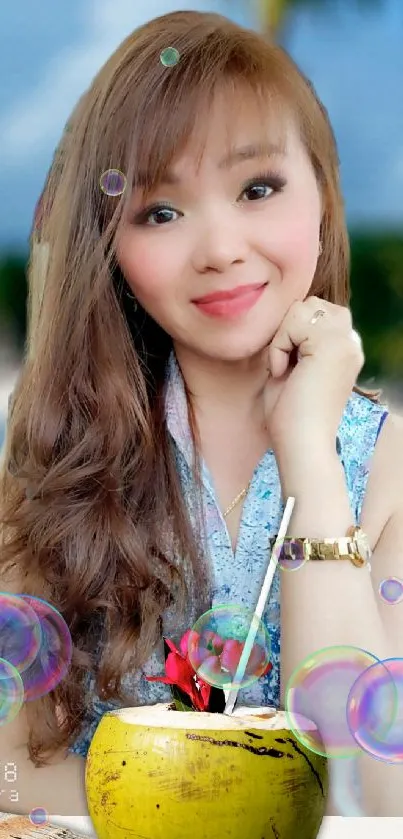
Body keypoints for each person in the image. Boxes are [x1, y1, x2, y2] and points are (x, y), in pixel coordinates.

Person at [1, 8, 402, 819]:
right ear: (111, 247)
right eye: (160, 211)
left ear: (322, 198)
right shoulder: (57, 452)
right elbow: (10, 776)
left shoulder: (386, 462)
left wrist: (309, 460)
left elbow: (372, 793)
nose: (218, 245)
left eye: (257, 188)